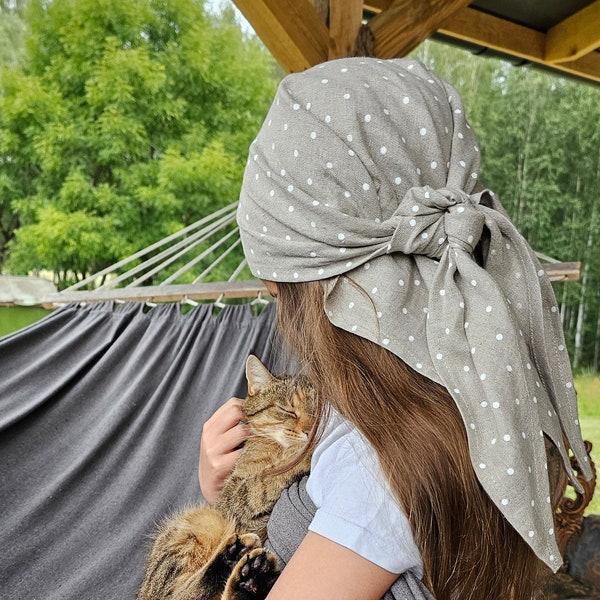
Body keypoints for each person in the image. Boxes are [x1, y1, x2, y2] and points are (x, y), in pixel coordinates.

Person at [199, 58, 592, 600]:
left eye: (282, 295)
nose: (281, 313)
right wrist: (226, 489)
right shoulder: (440, 408)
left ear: (323, 290)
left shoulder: (380, 468)